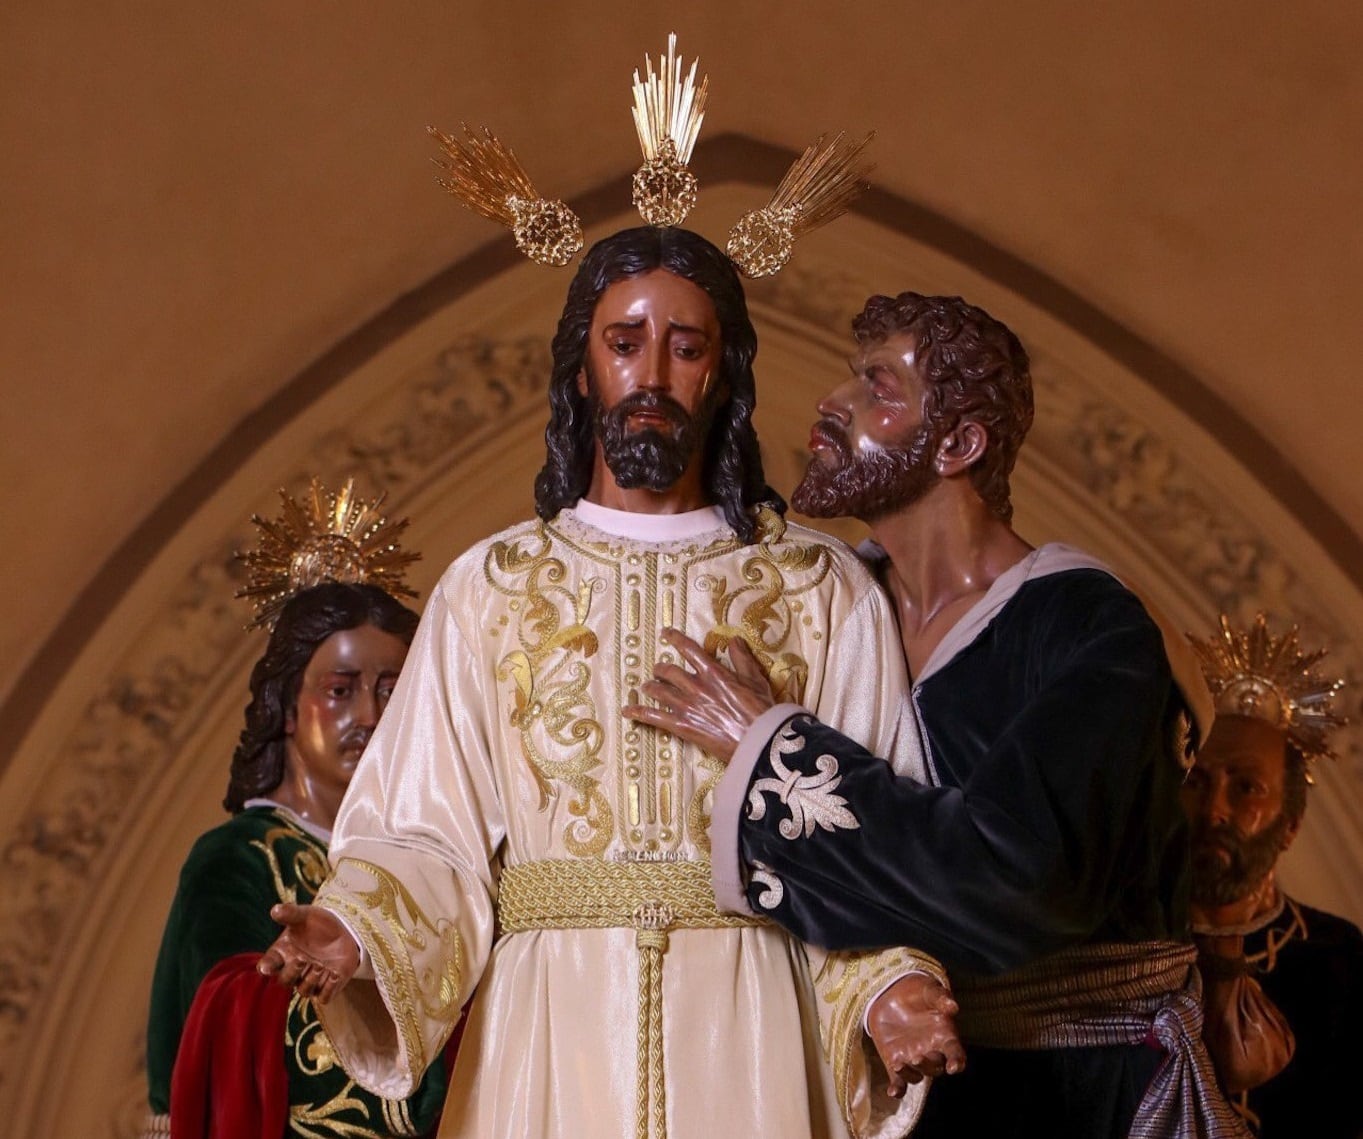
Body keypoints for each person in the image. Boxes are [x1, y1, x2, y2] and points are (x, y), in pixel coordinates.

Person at [258, 227, 960, 1139]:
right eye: (624, 343)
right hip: (551, 1022)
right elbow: (426, 828)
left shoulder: (817, 588)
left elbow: (871, 835)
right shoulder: (492, 587)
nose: (654, 375)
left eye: (687, 346)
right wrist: (361, 930)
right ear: (582, 367)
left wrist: (893, 984)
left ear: (724, 371)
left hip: (752, 1035)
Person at [628, 291, 1252, 1138]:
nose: (832, 403)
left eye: (877, 388)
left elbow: (1016, 877)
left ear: (959, 444)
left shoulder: (1090, 628)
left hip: (1075, 1094)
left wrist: (766, 747)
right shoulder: (834, 610)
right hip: (881, 1088)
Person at [144, 488, 448, 1138]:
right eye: (340, 690)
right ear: (286, 708)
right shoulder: (243, 855)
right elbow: (220, 1018)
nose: (369, 715)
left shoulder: (426, 862)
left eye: (391, 692)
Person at [1183, 613, 1362, 1137]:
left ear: (1289, 825)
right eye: (1198, 780)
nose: (1214, 809)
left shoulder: (1338, 963)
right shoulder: (1117, 934)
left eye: (1247, 788)